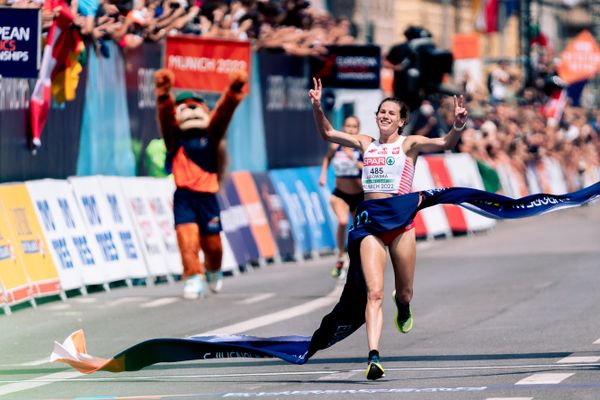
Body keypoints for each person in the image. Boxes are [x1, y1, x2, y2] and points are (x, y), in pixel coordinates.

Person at [309, 77, 468, 380]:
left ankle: (404, 304)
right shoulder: (365, 143)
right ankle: (373, 357)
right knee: (375, 292)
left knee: (404, 292)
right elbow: (328, 132)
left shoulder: (409, 145)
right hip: (370, 223)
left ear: (401, 121)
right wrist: (317, 107)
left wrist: (457, 125)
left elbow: (446, 143)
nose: (384, 116)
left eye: (391, 114)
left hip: (401, 223)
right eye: (381, 112)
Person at [318, 115, 364, 279]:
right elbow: (327, 158)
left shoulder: (361, 148)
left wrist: (354, 160)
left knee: (357, 230)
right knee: (343, 222)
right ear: (343, 128)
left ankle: (356, 260)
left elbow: (368, 168)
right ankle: (340, 255)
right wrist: (323, 175)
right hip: (340, 194)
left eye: (354, 126)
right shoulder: (336, 146)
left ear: (358, 129)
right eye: (348, 126)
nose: (350, 129)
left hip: (358, 195)